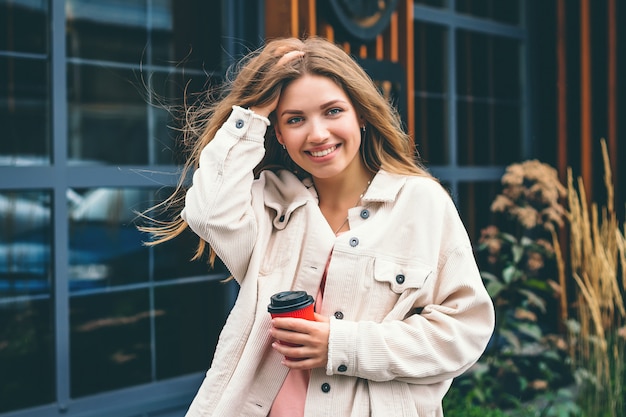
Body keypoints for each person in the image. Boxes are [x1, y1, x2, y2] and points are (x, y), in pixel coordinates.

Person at [145, 36, 495, 417]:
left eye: (332, 111)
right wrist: (252, 110)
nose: (317, 134)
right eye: (295, 119)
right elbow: (207, 212)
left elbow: (464, 332)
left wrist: (341, 345)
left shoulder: (422, 204)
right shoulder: (269, 204)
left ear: (360, 113)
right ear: (277, 133)